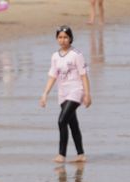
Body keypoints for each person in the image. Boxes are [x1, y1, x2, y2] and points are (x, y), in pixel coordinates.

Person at [38, 26, 91, 163]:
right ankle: (81, 155)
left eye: (65, 37)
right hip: (62, 93)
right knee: (73, 124)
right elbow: (52, 76)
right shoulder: (55, 56)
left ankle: (61, 155)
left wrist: (87, 94)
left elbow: (84, 75)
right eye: (60, 37)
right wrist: (45, 94)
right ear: (57, 39)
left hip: (76, 90)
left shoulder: (76, 55)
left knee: (62, 120)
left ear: (71, 38)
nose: (63, 40)